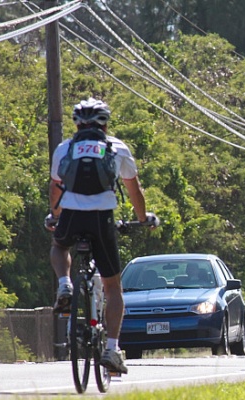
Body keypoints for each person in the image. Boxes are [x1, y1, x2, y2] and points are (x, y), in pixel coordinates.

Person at [44, 98, 159, 374]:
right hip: (102, 217)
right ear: (105, 124)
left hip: (71, 213)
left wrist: (55, 216)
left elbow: (55, 187)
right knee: (112, 287)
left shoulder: (65, 148)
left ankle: (65, 285)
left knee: (59, 247)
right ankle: (111, 349)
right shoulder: (116, 147)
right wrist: (143, 219)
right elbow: (134, 191)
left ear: (76, 124)